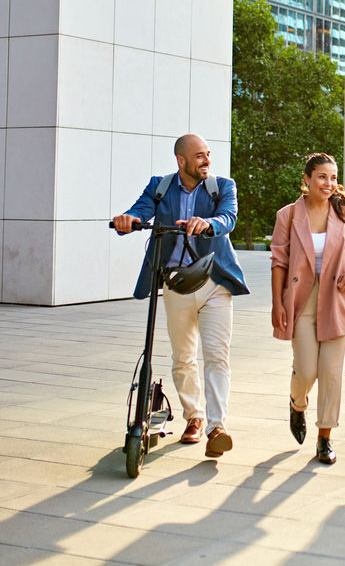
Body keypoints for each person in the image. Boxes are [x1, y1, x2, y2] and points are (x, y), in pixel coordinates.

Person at [113, 134, 247, 458]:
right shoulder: (160, 186)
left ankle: (217, 427)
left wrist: (208, 222)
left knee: (217, 355)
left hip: (214, 282)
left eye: (208, 154)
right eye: (199, 156)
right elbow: (139, 211)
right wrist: (127, 220)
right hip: (175, 283)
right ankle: (194, 417)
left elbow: (227, 218)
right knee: (183, 357)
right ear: (181, 160)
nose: (206, 160)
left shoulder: (222, 186)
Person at [270, 153, 345, 465]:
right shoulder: (287, 215)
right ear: (307, 180)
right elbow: (279, 262)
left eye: (333, 177)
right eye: (322, 177)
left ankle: (325, 437)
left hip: (337, 298)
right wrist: (277, 303)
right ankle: (297, 403)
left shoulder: (344, 214)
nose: (329, 184)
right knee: (307, 370)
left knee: (331, 372)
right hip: (301, 301)